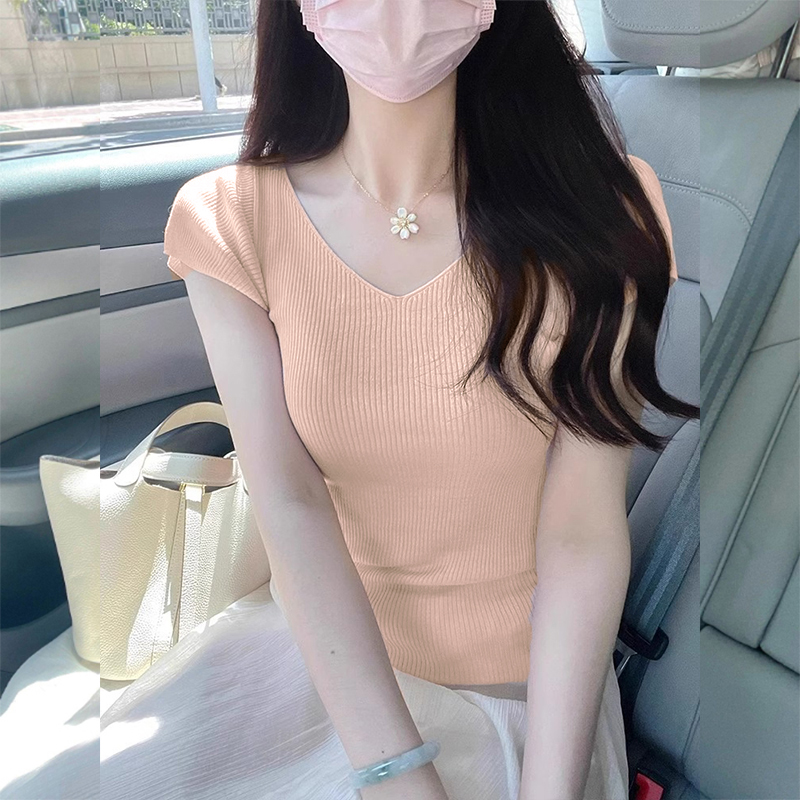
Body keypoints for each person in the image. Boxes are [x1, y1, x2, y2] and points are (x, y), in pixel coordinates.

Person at [104, 1, 698, 799]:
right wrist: (394, 775)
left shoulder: (606, 212)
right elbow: (288, 499)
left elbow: (582, 531)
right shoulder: (229, 221)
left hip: (532, 703)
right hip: (332, 677)